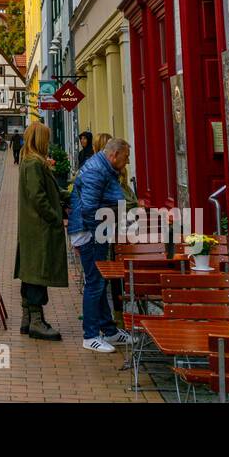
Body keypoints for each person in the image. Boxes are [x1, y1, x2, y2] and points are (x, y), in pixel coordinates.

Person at [68, 138, 133, 353]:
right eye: (126, 157)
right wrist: (99, 234)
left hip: (95, 231)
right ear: (114, 155)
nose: (128, 161)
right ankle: (91, 335)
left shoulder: (102, 167)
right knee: (95, 282)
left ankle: (109, 330)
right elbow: (88, 208)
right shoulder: (97, 171)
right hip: (90, 233)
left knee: (99, 281)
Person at [13, 122, 67, 340]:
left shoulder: (31, 161)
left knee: (30, 271)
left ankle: (27, 318)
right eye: (47, 138)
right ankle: (36, 321)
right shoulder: (34, 163)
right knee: (37, 272)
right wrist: (54, 217)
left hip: (33, 227)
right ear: (40, 139)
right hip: (39, 228)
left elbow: (46, 190)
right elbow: (38, 196)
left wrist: (64, 195)